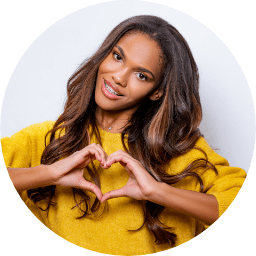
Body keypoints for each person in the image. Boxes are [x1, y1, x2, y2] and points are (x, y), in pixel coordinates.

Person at [1, 15, 247, 255]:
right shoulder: (49, 137)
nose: (118, 77)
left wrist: (157, 191)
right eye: (117, 57)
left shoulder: (181, 151)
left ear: (157, 92)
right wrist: (48, 173)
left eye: (142, 75)